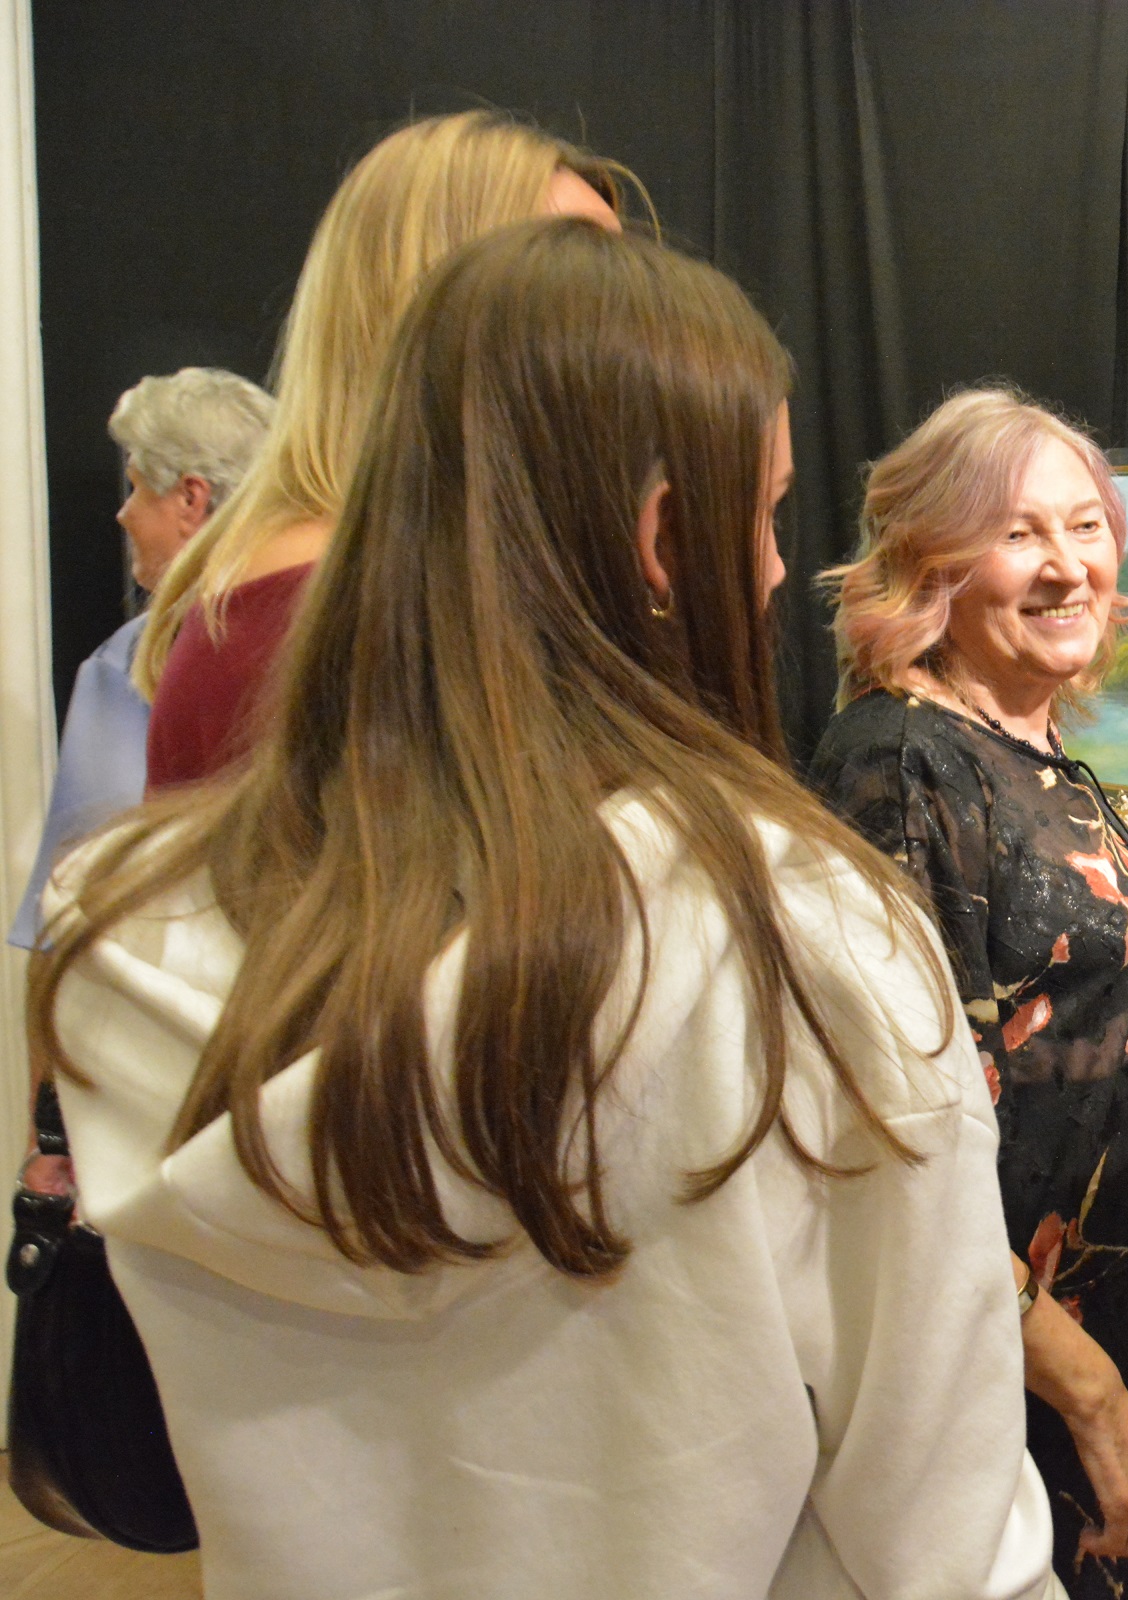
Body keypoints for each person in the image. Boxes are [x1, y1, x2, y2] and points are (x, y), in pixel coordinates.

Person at [31, 220, 1062, 1600]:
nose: (773, 571)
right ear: (661, 539)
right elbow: (950, 1543)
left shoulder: (133, 931)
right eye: (762, 514)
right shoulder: (812, 948)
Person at [813, 388, 1128, 1598]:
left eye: (1086, 525)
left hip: (1107, 1337)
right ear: (932, 563)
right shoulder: (901, 766)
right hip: (1020, 1386)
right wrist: (1091, 1395)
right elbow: (896, 1142)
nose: (1067, 566)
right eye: (1017, 534)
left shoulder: (1029, 745)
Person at [137, 108, 632, 790]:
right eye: (588, 279)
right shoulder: (314, 612)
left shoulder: (418, 573)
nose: (636, 322)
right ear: (442, 300)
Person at [8, 367, 271, 950]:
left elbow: (84, 901)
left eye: (135, 487)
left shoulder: (129, 662)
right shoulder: (336, 628)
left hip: (171, 978)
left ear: (190, 499)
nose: (124, 514)